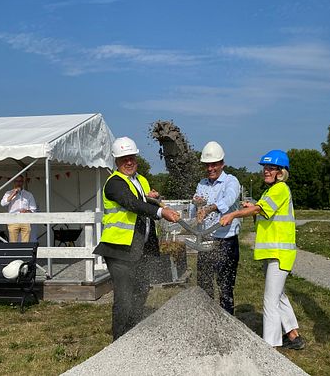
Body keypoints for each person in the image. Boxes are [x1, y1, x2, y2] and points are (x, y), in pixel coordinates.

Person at [93, 136, 181, 340]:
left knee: (141, 291)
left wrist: (154, 198)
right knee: (124, 298)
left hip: (142, 247)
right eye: (124, 158)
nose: (129, 161)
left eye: (131, 157)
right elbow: (132, 203)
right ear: (116, 161)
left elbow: (143, 200)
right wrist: (160, 213)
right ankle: (119, 341)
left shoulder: (141, 180)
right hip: (119, 248)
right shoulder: (114, 183)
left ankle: (133, 334)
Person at [220, 150, 304, 350]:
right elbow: (263, 210)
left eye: (271, 168)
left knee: (270, 301)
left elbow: (259, 210)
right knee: (279, 296)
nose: (266, 171)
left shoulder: (280, 189)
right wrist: (253, 206)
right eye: (265, 168)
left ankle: (270, 346)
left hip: (279, 253)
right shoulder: (270, 191)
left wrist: (235, 214)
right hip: (273, 253)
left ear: (281, 172)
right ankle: (293, 336)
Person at [189, 141, 241, 315]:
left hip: (225, 241)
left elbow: (230, 199)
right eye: (207, 165)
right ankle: (207, 320)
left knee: (225, 286)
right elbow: (193, 211)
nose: (211, 168)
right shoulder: (202, 184)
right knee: (204, 285)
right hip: (206, 240)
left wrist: (210, 207)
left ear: (222, 164)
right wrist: (195, 205)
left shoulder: (230, 181)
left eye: (214, 164)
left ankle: (227, 322)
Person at [0, 176, 37, 242]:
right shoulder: (8, 193)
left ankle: (25, 252)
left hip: (25, 220)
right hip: (13, 220)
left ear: (23, 182)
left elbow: (33, 209)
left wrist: (26, 211)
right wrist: (13, 194)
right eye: (17, 181)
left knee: (26, 242)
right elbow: (3, 204)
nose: (18, 183)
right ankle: (14, 252)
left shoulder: (28, 194)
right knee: (13, 242)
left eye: (20, 181)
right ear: (14, 182)